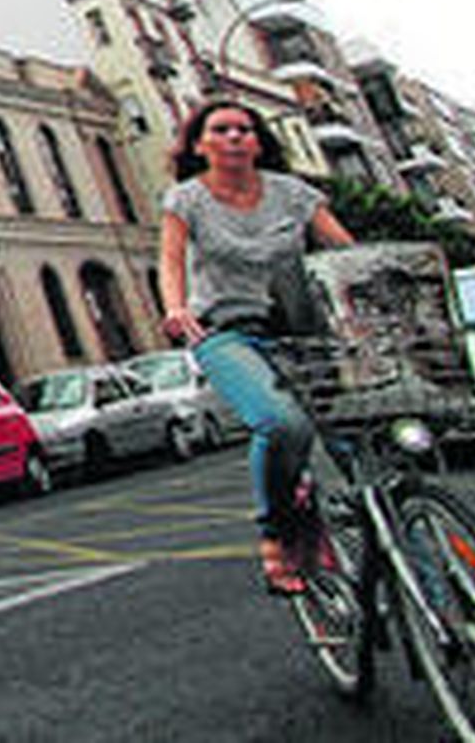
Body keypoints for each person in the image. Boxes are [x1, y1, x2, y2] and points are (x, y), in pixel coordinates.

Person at [158, 98, 355, 595]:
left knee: (361, 440)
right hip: (225, 330)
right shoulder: (186, 199)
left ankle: (425, 584)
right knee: (282, 422)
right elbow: (171, 261)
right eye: (221, 130)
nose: (234, 137)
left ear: (259, 142)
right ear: (200, 145)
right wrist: (176, 308)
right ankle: (276, 532)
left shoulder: (293, 194)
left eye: (245, 129)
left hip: (303, 331)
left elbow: (347, 251)